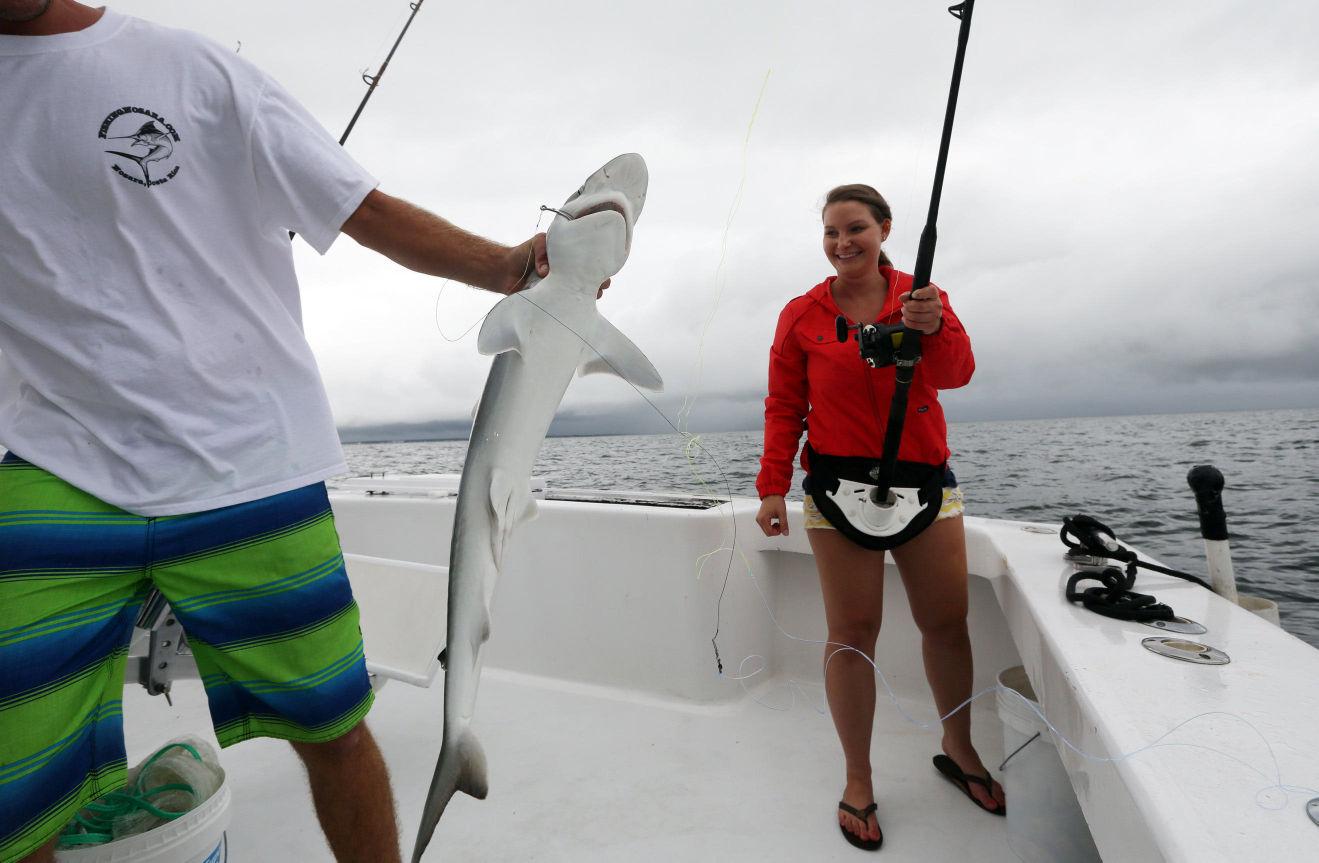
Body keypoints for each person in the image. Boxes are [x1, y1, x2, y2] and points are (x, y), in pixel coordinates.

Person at [0, 3, 598, 862]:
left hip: (246, 460)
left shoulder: (191, 69)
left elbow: (359, 206)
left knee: (331, 727)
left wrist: (508, 268)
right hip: (50, 468)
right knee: (18, 780)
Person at [753, 183, 1003, 851]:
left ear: (885, 229)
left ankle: (959, 748)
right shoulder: (800, 314)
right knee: (851, 632)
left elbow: (956, 374)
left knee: (945, 622)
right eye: (831, 232)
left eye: (855, 228)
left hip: (925, 485)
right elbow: (784, 405)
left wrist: (935, 325)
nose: (842, 243)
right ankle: (857, 778)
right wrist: (771, 486)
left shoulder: (924, 298)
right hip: (835, 489)